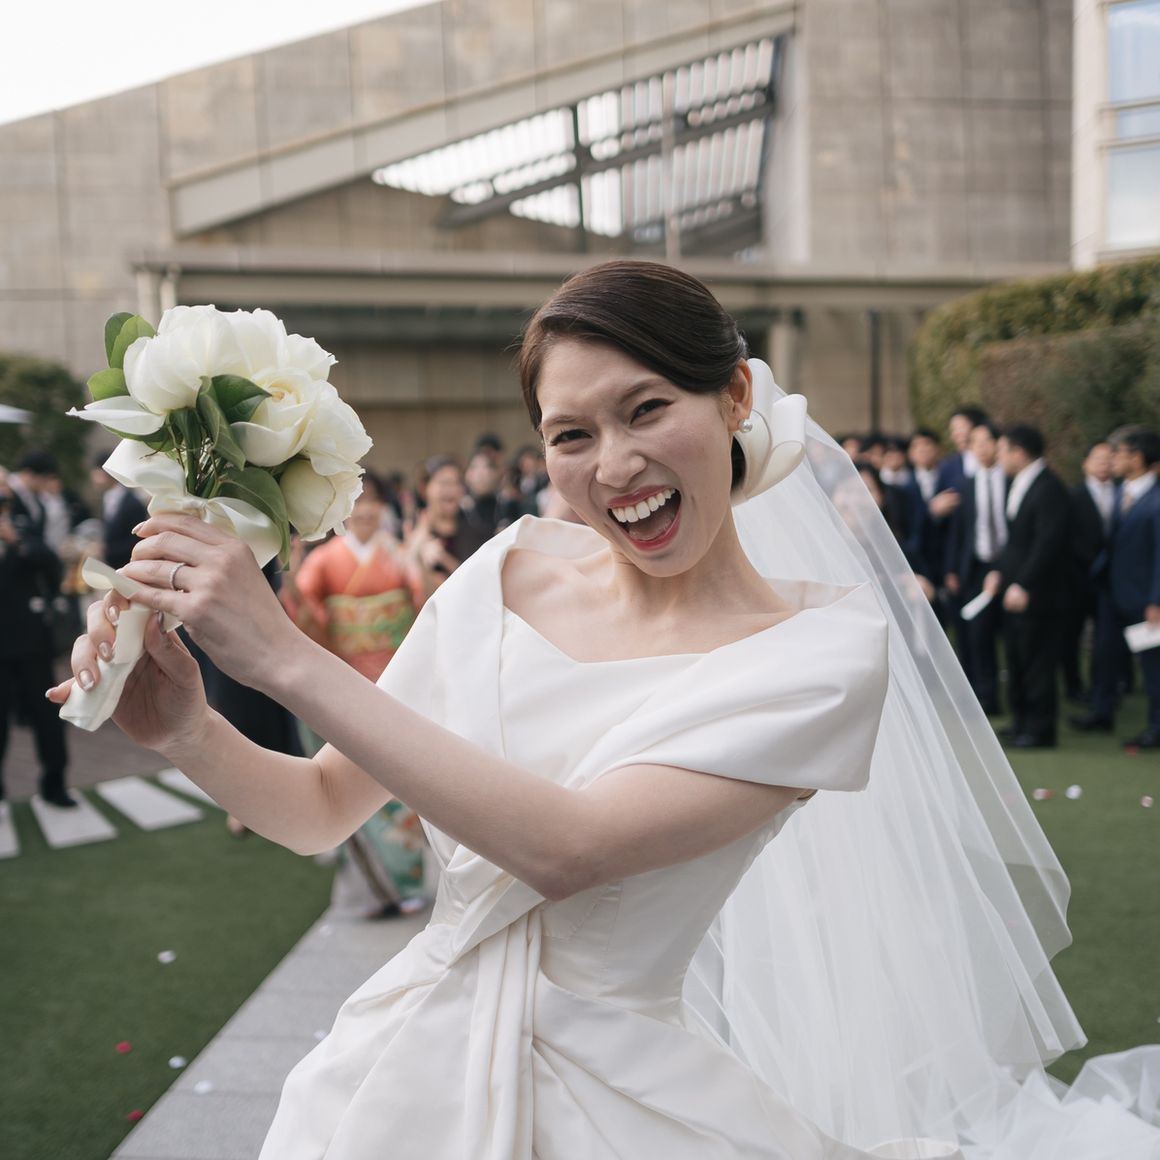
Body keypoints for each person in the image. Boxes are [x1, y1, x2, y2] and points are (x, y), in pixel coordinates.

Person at [51, 261, 1160, 1158]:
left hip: (622, 1105)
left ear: (733, 397)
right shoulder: (501, 574)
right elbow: (319, 809)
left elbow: (568, 850)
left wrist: (284, 655)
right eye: (571, 434)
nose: (616, 465)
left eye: (648, 409)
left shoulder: (823, 654)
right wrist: (189, 730)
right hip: (392, 1072)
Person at [982, 425, 1070, 749]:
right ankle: (1021, 720)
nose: (998, 457)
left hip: (1039, 593)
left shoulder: (1049, 488)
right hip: (1014, 587)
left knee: (1037, 661)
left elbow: (1048, 543)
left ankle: (1040, 729)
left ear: (1019, 452)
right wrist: (1000, 574)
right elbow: (1017, 543)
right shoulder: (1019, 482)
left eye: (1002, 450)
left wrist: (1024, 583)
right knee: (1017, 658)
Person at [1074, 429, 1160, 748]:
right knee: (1105, 654)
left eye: (1119, 453)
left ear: (1137, 458)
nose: (1113, 459)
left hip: (1143, 598)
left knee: (1152, 665)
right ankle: (1102, 711)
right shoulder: (1121, 490)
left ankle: (1156, 725)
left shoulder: (1156, 500)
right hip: (1111, 592)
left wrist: (1156, 600)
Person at [1, 460, 72, 807]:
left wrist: (16, 541)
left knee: (47, 716)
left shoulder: (22, 524)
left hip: (30, 639)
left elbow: (51, 562)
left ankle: (54, 784)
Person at [945, 422, 1008, 715]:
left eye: (986, 441)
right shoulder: (967, 484)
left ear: (998, 444)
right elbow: (959, 531)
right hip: (976, 566)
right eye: (975, 443)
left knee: (1009, 633)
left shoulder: (1010, 480)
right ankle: (986, 697)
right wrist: (952, 569)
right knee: (977, 636)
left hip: (1008, 566)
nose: (981, 448)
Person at [1062, 441, 1115, 703]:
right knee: (1071, 634)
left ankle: (1106, 685)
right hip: (1078, 577)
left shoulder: (1122, 493)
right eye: (1098, 459)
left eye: (1109, 459)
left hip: (1111, 579)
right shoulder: (1074, 496)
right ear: (1086, 463)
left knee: (1107, 637)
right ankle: (1074, 686)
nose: (1104, 464)